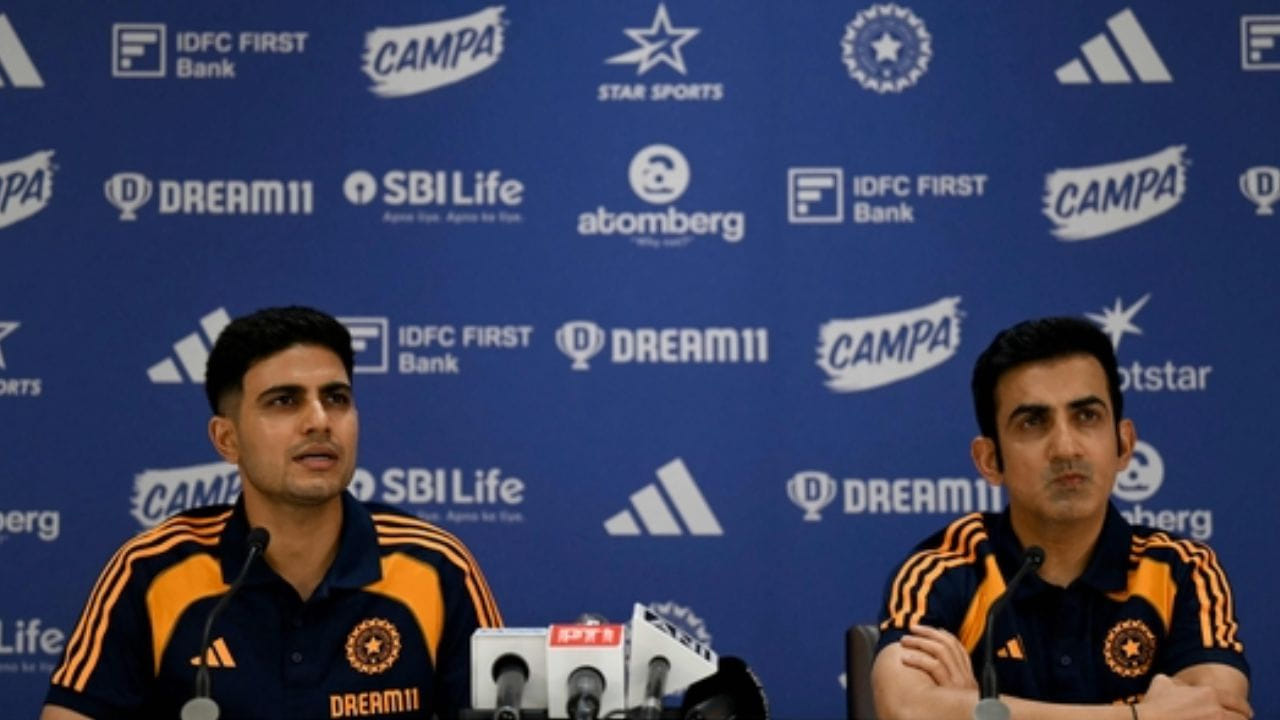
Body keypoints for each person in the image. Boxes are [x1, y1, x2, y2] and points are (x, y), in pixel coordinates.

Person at [42, 306, 501, 720]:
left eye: (336, 398)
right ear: (227, 440)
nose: (319, 420)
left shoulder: (437, 567)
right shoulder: (151, 571)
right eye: (285, 401)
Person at [870, 317, 1250, 720]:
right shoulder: (944, 569)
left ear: (1123, 444)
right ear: (990, 460)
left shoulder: (1183, 569)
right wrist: (1140, 717)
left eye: (1086, 416)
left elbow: (1215, 712)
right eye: (1033, 422)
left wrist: (979, 711)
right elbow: (905, 708)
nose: (1066, 448)